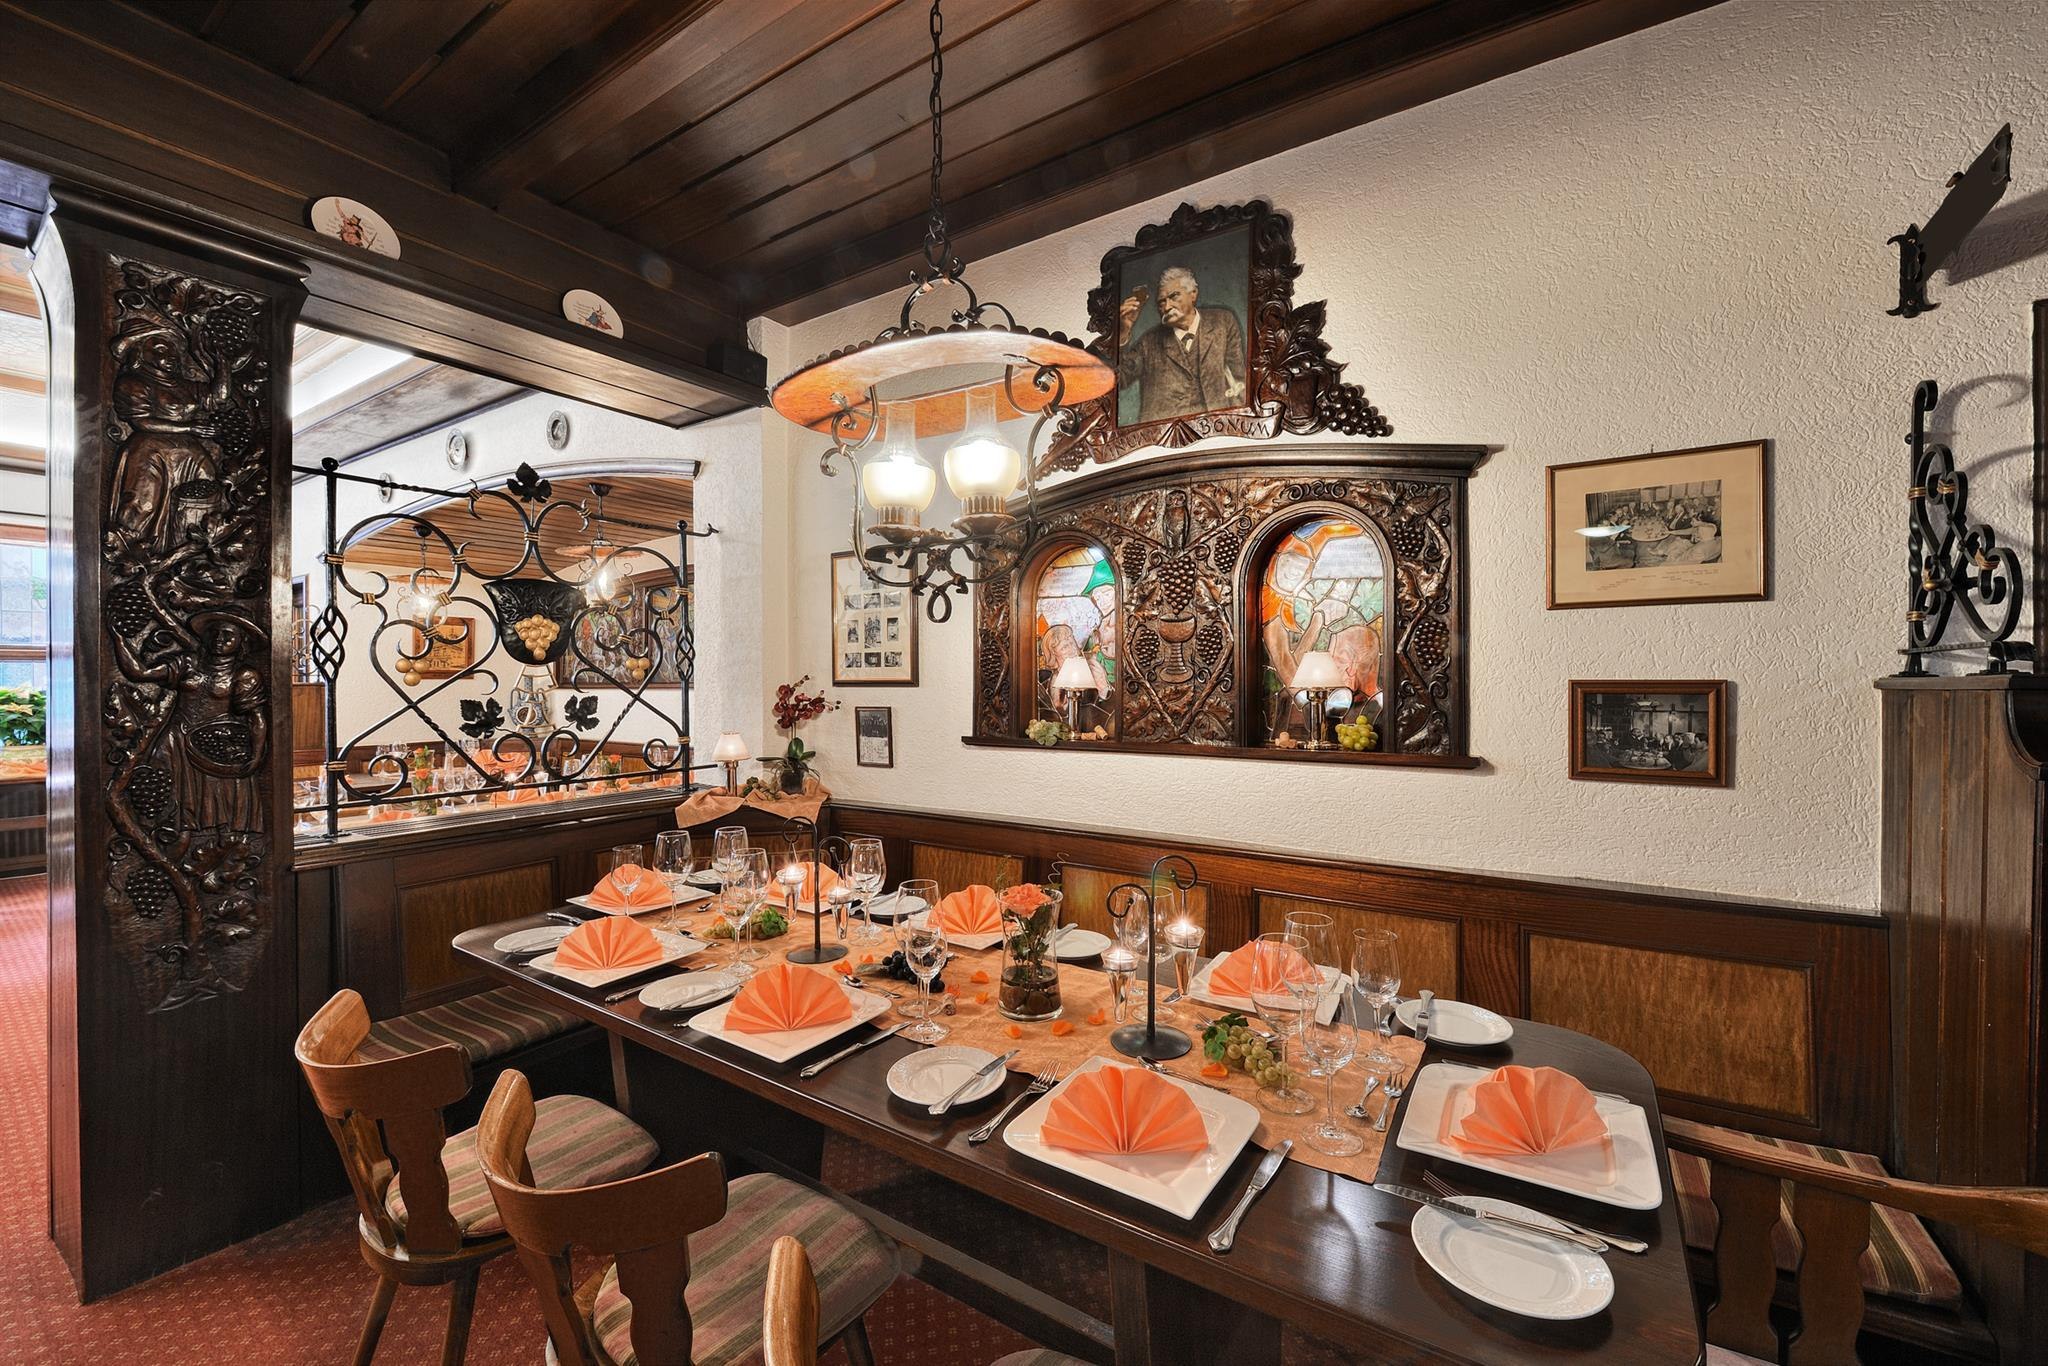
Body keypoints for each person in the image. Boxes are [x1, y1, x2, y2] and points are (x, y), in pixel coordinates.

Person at [1116, 264, 1246, 423]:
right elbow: (1118, 380)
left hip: (1216, 429)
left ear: (1193, 294)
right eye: (1161, 302)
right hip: (1163, 434)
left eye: (1174, 296)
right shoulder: (1148, 343)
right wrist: (1122, 332)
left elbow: (1240, 382)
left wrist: (1234, 425)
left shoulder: (1223, 322)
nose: (1167, 307)